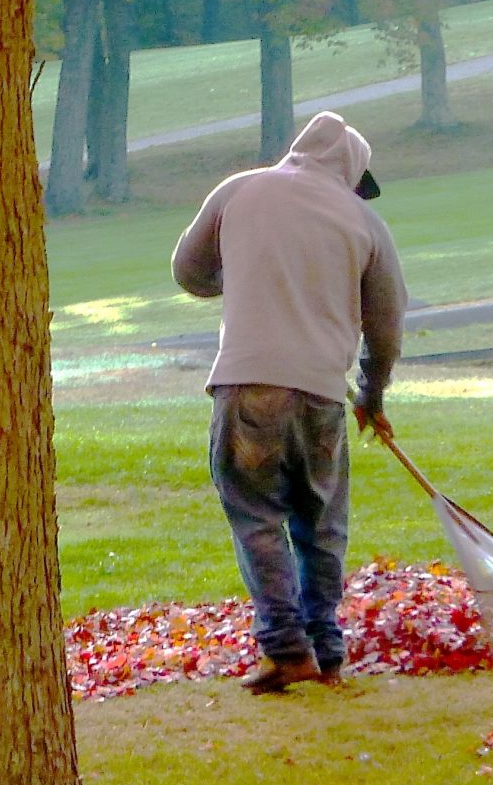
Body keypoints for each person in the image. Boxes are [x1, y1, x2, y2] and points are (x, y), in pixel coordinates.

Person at [171, 111, 406, 694]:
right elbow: (387, 325)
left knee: (257, 519)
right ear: (351, 170)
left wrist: (249, 275)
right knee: (322, 525)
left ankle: (287, 649)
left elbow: (188, 272)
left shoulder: (238, 190)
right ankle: (324, 649)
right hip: (323, 394)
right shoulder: (365, 223)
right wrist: (372, 392)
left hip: (247, 386)